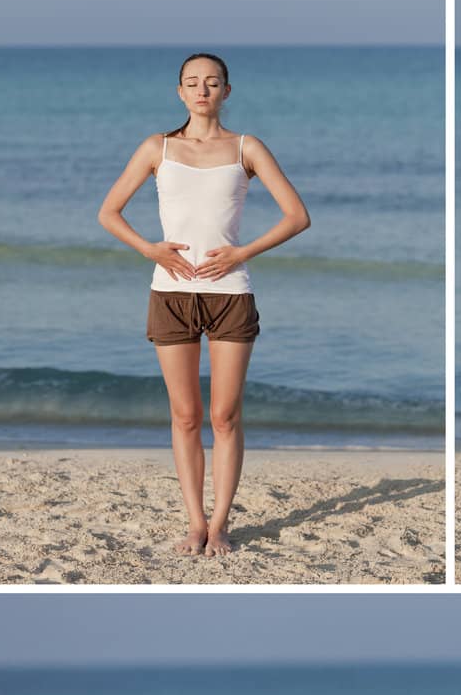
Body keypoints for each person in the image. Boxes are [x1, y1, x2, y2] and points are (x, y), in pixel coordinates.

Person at [99, 53, 310, 556]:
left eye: (212, 83)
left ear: (226, 92)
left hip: (230, 292)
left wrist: (241, 252)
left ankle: (220, 525)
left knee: (225, 417)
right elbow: (109, 212)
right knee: (185, 415)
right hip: (170, 293)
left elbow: (296, 216)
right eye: (192, 83)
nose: (202, 90)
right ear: (180, 92)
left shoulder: (246, 148)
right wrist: (150, 248)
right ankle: (194, 523)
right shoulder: (158, 148)